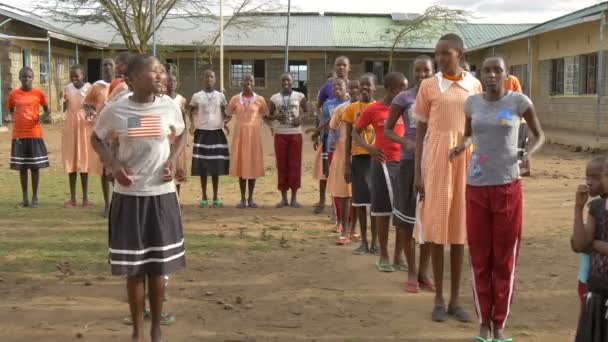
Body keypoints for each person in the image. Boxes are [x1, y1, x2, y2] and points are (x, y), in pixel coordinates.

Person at [91, 54, 186, 342]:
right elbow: (96, 137)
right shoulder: (116, 109)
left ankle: (156, 330)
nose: (160, 77)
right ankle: (137, 331)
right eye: (153, 73)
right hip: (129, 198)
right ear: (131, 79)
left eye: (161, 73)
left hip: (161, 197)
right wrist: (112, 163)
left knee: (158, 268)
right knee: (134, 270)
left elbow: (181, 134)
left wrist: (172, 158)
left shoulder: (168, 106)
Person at [450, 55, 545, 342]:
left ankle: (499, 323)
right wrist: (461, 146)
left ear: (506, 74)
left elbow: (539, 136)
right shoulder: (472, 103)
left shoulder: (519, 102)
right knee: (480, 257)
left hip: (507, 186)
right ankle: (483, 323)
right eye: (486, 70)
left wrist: (528, 154)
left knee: (504, 259)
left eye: (497, 70)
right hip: (476, 186)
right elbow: (469, 136)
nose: (491, 75)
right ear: (480, 74)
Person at [414, 33, 483, 323]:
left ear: (461, 53)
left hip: (465, 162)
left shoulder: (474, 85)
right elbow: (419, 132)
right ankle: (439, 298)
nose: (440, 59)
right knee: (437, 230)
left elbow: (477, 128)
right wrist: (418, 171)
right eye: (437, 54)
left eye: (446, 53)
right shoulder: (429, 86)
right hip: (437, 163)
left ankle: (456, 300)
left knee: (459, 233)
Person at [384, 55, 434, 292]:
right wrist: (406, 142)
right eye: (418, 70)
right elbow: (387, 130)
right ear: (413, 72)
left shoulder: (439, 95)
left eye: (426, 70)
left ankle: (424, 272)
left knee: (430, 221)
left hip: (434, 164)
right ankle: (412, 272)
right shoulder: (404, 98)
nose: (422, 74)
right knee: (406, 220)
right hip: (408, 164)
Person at [354, 72, 406, 273]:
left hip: (403, 165)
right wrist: (370, 148)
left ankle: (399, 256)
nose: (405, 91)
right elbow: (355, 132)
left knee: (403, 213)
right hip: (381, 164)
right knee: (383, 212)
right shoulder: (373, 109)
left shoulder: (407, 109)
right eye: (401, 88)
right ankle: (384, 255)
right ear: (390, 89)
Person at [572, 156, 608, 342]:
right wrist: (578, 208)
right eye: (587, 177)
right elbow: (579, 245)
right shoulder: (596, 207)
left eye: (595, 177)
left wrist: (592, 244)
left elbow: (586, 243)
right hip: (596, 289)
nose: (589, 182)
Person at [343, 74, 378, 255]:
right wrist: (346, 164)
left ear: (374, 88)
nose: (364, 88)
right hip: (358, 159)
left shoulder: (380, 108)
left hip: (376, 160)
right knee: (360, 202)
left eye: (368, 85)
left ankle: (376, 242)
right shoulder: (351, 109)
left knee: (376, 203)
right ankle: (364, 241)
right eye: (361, 85)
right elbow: (349, 139)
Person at [8, 67, 51, 208]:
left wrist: (43, 117)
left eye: (29, 77)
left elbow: (47, 111)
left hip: (34, 134)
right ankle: (25, 198)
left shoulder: (39, 94)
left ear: (33, 78)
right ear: (19, 78)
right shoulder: (14, 94)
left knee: (34, 167)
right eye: (24, 77)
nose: (26, 79)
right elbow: (10, 110)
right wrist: (10, 116)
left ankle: (35, 198)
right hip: (19, 135)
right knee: (22, 168)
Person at [313, 56, 351, 214]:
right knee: (326, 169)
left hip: (348, 137)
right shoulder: (327, 87)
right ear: (335, 67)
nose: (341, 67)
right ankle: (322, 200)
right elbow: (319, 108)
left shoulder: (354, 86)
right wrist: (321, 129)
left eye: (344, 65)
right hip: (329, 136)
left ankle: (347, 204)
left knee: (346, 170)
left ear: (349, 68)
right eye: (338, 65)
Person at [227, 74, 268, 208]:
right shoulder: (235, 99)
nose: (248, 83)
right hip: (240, 136)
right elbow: (227, 114)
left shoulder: (260, 100)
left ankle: (251, 198)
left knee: (252, 165)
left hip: (254, 137)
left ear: (254, 84)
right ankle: (242, 199)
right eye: (246, 81)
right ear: (241, 83)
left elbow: (267, 115)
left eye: (251, 81)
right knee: (241, 165)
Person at [189, 70, 230, 208]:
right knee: (202, 167)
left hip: (217, 133)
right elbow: (191, 111)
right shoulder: (197, 96)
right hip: (201, 133)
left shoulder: (221, 96)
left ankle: (216, 197)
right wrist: (192, 125)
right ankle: (204, 197)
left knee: (216, 166)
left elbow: (225, 113)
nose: (209, 79)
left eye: (211, 76)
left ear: (215, 79)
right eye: (206, 76)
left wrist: (226, 124)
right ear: (203, 79)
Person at [268, 73, 309, 208]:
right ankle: (284, 199)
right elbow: (269, 116)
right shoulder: (274, 98)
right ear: (280, 82)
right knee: (282, 166)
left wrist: (300, 119)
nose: (286, 83)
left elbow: (307, 111)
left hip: (295, 134)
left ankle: (294, 199)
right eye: (283, 80)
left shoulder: (299, 96)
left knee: (294, 165)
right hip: (280, 134)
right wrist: (276, 116)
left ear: (293, 82)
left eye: (289, 81)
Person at [62, 65, 100, 208]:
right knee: (71, 162)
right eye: (72, 76)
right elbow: (65, 108)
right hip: (71, 128)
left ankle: (85, 198)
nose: (74, 79)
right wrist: (64, 102)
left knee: (84, 162)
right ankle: (72, 198)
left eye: (76, 76)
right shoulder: (67, 89)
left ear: (83, 75)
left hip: (84, 127)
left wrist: (90, 110)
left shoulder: (90, 89)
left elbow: (94, 107)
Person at [83, 58, 116, 217]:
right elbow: (87, 103)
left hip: (117, 133)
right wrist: (90, 111)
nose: (108, 68)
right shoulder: (97, 86)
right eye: (105, 65)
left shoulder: (122, 84)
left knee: (118, 167)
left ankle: (119, 203)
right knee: (105, 168)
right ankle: (107, 204)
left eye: (110, 65)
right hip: (102, 133)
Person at [328, 80, 359, 244]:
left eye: (357, 88)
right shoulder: (341, 109)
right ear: (348, 90)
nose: (355, 90)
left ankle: (355, 229)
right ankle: (345, 229)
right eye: (352, 88)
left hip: (362, 154)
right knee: (345, 192)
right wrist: (333, 141)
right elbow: (332, 126)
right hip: (343, 153)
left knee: (358, 193)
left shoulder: (367, 108)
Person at [322, 79, 351, 232]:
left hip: (356, 154)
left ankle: (351, 223)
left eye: (340, 86)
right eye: (335, 86)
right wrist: (330, 144)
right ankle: (339, 220)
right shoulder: (333, 106)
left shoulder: (361, 106)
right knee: (337, 186)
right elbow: (330, 128)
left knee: (352, 190)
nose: (337, 88)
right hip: (337, 151)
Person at [164, 71, 188, 196]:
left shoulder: (181, 100)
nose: (171, 83)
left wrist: (185, 139)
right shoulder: (161, 99)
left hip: (177, 138)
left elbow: (184, 121)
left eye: (173, 81)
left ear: (177, 83)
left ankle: (176, 197)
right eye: (169, 81)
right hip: (165, 138)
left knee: (177, 166)